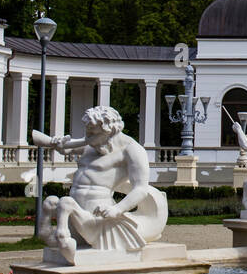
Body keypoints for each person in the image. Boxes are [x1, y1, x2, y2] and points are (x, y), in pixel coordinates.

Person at [36, 105, 167, 263]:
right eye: (87, 131)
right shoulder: (93, 145)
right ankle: (51, 233)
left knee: (65, 203)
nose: (87, 136)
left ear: (109, 130)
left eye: (92, 132)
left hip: (99, 216)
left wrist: (117, 209)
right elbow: (66, 149)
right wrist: (59, 144)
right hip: (76, 211)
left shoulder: (132, 150)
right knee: (50, 202)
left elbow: (141, 189)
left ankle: (64, 237)